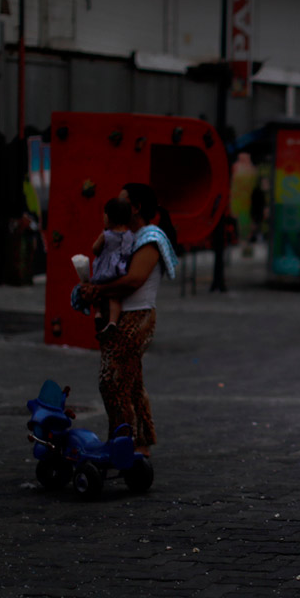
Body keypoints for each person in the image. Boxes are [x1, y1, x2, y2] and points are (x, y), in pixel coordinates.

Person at [77, 183, 177, 456]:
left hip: (137, 316)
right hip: (126, 315)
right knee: (131, 383)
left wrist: (98, 290)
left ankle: (122, 442)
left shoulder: (149, 237)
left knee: (112, 380)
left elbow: (134, 280)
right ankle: (139, 445)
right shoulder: (125, 236)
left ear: (135, 208)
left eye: (121, 201)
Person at [89, 197, 135, 334]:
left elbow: (95, 249)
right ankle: (112, 322)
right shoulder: (130, 235)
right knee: (115, 297)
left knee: (96, 289)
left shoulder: (106, 235)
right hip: (121, 269)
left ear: (109, 217)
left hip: (105, 269)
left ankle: (97, 313)